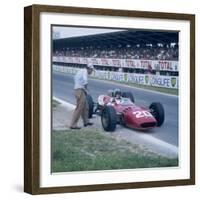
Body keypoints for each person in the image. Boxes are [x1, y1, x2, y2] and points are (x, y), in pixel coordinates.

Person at [69, 63, 94, 129]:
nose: (91, 72)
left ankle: (86, 122)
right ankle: (73, 124)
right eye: (91, 70)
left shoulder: (81, 71)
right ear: (89, 69)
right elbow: (85, 81)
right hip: (79, 90)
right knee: (79, 107)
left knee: (86, 107)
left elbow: (75, 78)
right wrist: (87, 90)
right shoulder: (85, 72)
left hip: (80, 89)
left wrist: (83, 89)